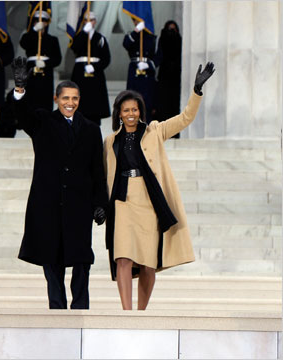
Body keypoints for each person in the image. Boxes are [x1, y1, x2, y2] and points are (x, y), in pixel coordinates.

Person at [103, 62, 215, 310]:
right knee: (122, 257)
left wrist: (196, 90)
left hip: (148, 201)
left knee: (147, 263)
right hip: (122, 203)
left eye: (134, 110)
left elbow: (185, 118)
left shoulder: (154, 131)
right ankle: (126, 313)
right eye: (125, 110)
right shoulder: (110, 141)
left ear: (140, 112)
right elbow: (104, 176)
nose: (130, 114)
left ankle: (141, 312)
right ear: (118, 114)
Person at [11, 56, 108, 310]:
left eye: (75, 98)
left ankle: (80, 306)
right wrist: (20, 90)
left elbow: (98, 169)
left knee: (81, 258)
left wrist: (101, 203)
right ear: (56, 99)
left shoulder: (90, 129)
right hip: (49, 203)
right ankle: (56, 306)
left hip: (79, 203)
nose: (70, 103)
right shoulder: (43, 122)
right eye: (65, 98)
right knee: (51, 257)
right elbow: (22, 116)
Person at [70, 12, 111, 126]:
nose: (89, 22)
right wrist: (84, 33)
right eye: (87, 20)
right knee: (79, 104)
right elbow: (75, 47)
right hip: (80, 73)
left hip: (95, 74)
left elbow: (106, 59)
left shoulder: (100, 38)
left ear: (95, 22)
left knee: (95, 105)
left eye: (92, 20)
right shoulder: (79, 36)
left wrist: (94, 67)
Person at [19, 9, 62, 111]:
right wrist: (34, 30)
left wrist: (45, 63)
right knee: (30, 102)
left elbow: (57, 59)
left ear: (47, 23)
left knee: (44, 103)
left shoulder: (52, 40)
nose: (40, 22)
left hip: (45, 73)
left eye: (43, 20)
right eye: (37, 20)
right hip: (31, 71)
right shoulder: (29, 36)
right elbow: (23, 43)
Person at [123, 19, 158, 121]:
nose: (136, 22)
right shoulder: (132, 36)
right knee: (133, 101)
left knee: (147, 104)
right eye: (134, 20)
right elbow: (126, 44)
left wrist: (149, 65)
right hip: (135, 71)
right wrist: (136, 31)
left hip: (147, 72)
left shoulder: (152, 38)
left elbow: (158, 56)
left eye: (138, 21)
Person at [154, 20, 182, 138]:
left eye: (173, 30)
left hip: (176, 79)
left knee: (174, 107)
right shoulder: (162, 40)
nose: (171, 32)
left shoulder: (179, 40)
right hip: (164, 77)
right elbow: (159, 56)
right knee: (163, 106)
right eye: (169, 29)